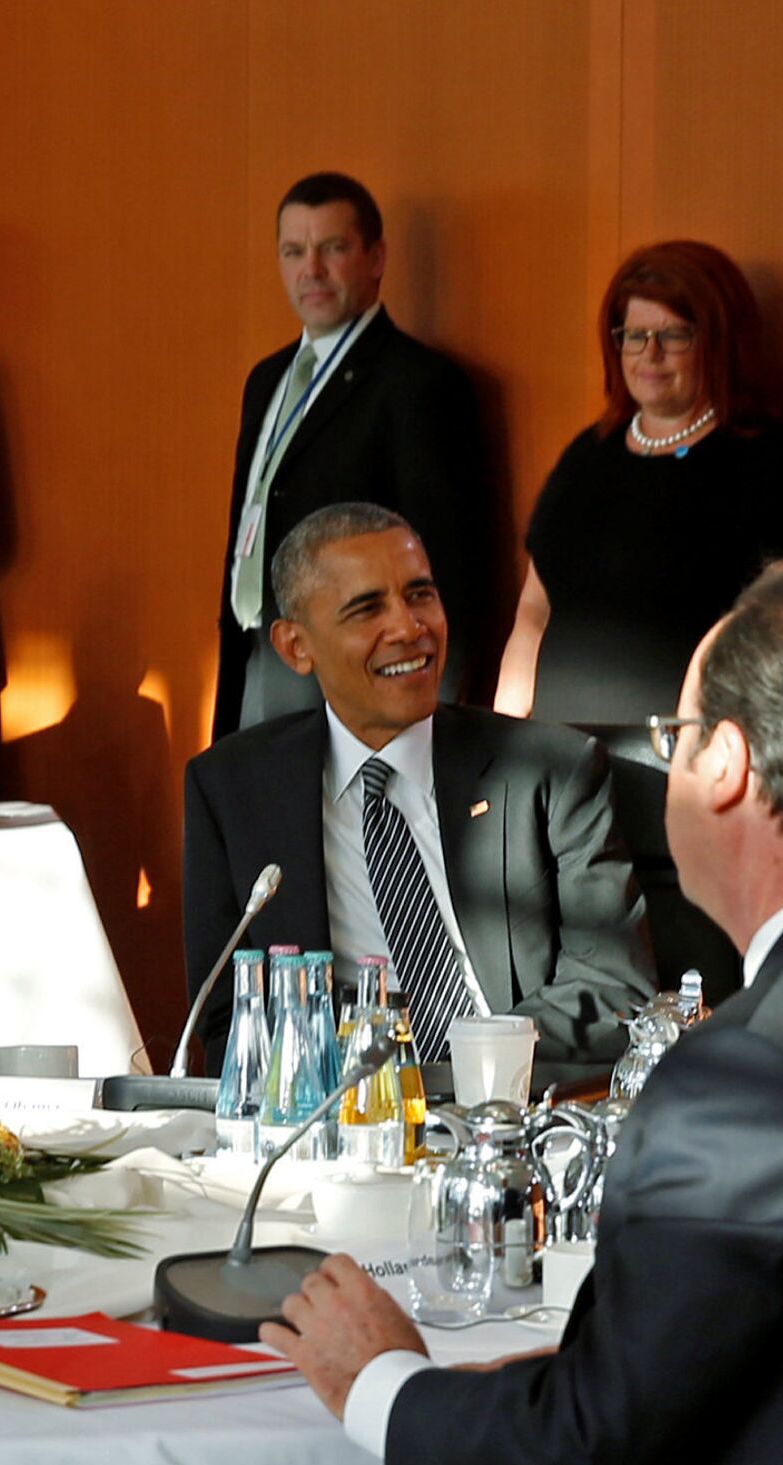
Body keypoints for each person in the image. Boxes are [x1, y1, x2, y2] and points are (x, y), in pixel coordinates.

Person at [194, 568, 783, 1465]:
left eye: (674, 733)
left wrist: (385, 1386)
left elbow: (600, 1439)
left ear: (723, 764)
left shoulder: (742, 1079)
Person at [184, 503, 654, 1072]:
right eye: (367, 609)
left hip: (507, 1097)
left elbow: (610, 986)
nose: (409, 628)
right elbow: (226, 1019)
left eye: (420, 595)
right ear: (295, 647)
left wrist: (452, 1067)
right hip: (336, 1105)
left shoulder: (551, 771)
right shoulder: (233, 789)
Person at [493, 239, 783, 998]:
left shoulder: (763, 466)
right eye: (632, 334)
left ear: (718, 340)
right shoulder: (586, 458)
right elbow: (534, 613)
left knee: (687, 988)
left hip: (683, 780)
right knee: (578, 992)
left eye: (672, 335)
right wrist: (501, 743)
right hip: (562, 778)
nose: (648, 355)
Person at [217, 173, 489, 736]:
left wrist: (430, 713)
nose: (311, 269)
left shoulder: (418, 384)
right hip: (259, 653)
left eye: (333, 248)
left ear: (376, 257)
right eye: (294, 251)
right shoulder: (266, 380)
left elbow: (447, 565)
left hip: (355, 673)